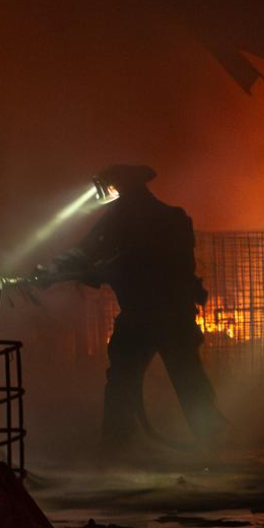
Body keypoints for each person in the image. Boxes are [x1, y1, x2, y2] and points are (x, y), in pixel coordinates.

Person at [43, 164, 228, 453]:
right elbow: (89, 252)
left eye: (113, 184)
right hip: (167, 314)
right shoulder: (168, 217)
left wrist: (73, 270)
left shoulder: (133, 219)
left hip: (151, 314)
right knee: (184, 377)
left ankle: (118, 444)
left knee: (125, 380)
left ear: (122, 185)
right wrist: (56, 268)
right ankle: (211, 438)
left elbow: (126, 261)